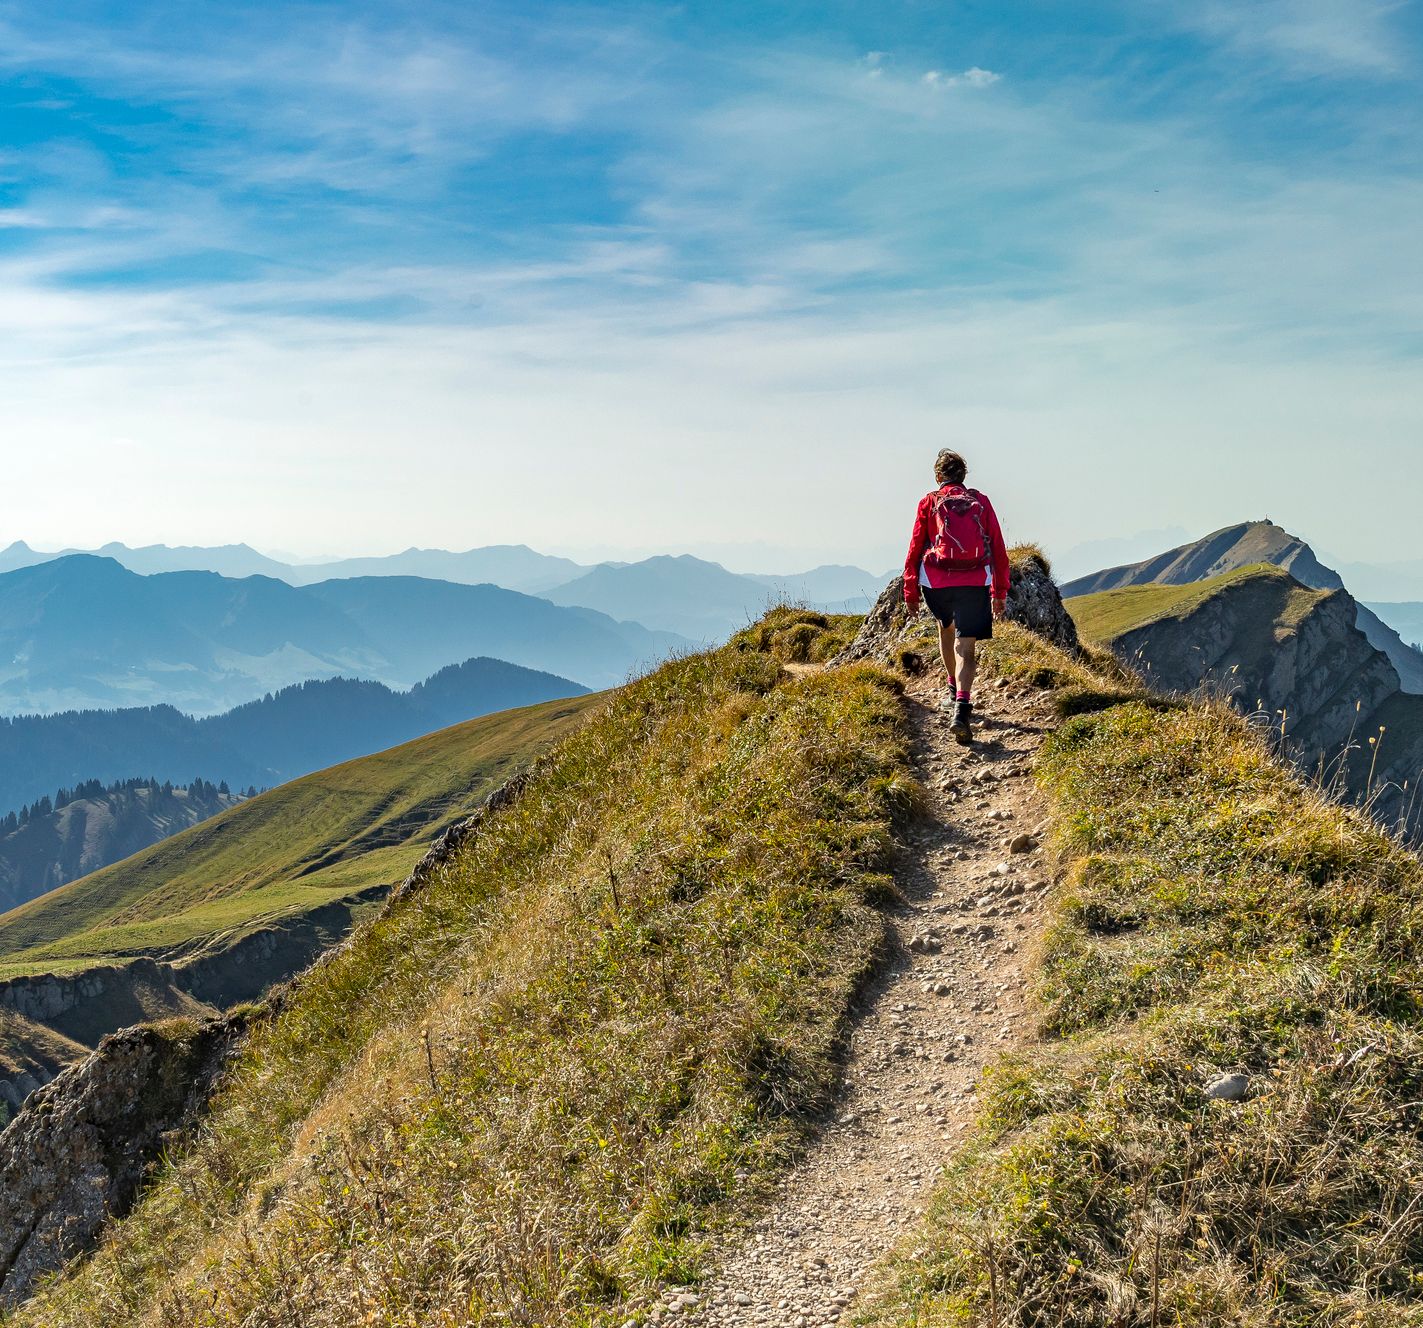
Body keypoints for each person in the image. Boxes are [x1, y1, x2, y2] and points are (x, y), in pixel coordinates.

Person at [902, 449, 1010, 745]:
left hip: (936, 583)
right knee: (967, 646)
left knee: (945, 630)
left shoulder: (929, 502)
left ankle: (952, 689)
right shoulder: (981, 502)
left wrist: (910, 589)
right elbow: (998, 549)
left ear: (938, 477)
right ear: (964, 476)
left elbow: (914, 548)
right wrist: (999, 592)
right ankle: (962, 707)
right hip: (975, 580)